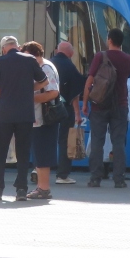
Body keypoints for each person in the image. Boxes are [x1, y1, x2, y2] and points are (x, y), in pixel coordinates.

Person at [0, 35, 47, 202]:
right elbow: (44, 81)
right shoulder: (30, 60)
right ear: (18, 46)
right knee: (23, 152)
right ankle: (21, 190)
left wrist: (6, 98)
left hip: (5, 113)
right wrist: (28, 89)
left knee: (0, 152)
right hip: (25, 113)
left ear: (3, 49)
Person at [82, 28, 130, 188]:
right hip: (120, 105)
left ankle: (95, 178)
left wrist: (85, 102)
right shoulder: (128, 59)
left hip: (99, 104)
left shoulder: (100, 56)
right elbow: (126, 78)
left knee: (97, 141)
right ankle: (119, 179)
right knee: (118, 142)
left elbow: (90, 81)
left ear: (109, 40)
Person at [20, 41, 61, 200]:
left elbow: (53, 92)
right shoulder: (42, 67)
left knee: (42, 152)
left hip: (43, 118)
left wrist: (29, 98)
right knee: (38, 153)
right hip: (38, 118)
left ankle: (44, 188)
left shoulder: (45, 68)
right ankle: (41, 187)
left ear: (34, 55)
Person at [51, 41, 85, 184]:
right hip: (65, 109)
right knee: (64, 140)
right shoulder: (70, 66)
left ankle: (38, 170)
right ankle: (62, 175)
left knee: (46, 138)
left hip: (47, 107)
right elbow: (74, 95)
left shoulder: (49, 63)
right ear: (70, 53)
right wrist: (77, 114)